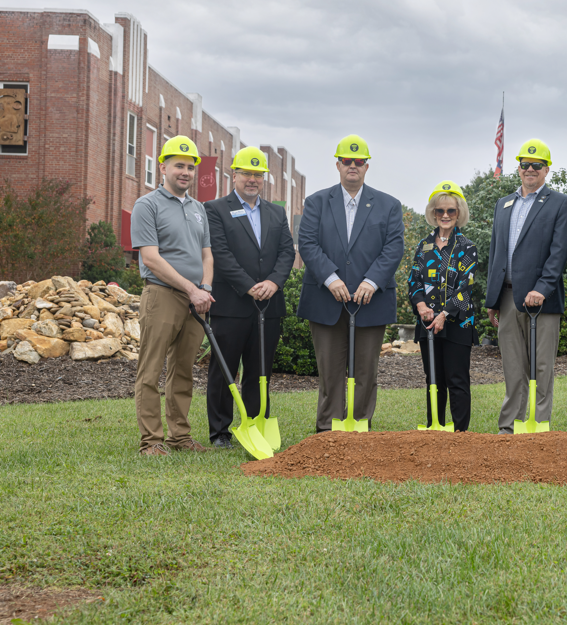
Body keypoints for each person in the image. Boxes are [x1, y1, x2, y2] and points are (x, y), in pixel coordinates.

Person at [297, 134, 404, 432]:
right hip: (326, 299)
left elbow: (394, 247)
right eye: (347, 161)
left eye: (359, 162)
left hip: (371, 301)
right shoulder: (317, 202)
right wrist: (330, 278)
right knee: (330, 371)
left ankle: (359, 425)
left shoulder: (388, 205)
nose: (353, 166)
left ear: (367, 167)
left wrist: (372, 281)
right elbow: (307, 243)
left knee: (366, 370)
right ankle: (328, 429)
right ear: (338, 165)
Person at [203, 146, 297, 449]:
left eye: (258, 174)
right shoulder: (215, 209)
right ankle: (220, 432)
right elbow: (220, 253)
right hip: (231, 305)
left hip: (269, 306)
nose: (253, 179)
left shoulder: (276, 212)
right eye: (247, 173)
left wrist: (273, 282)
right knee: (224, 371)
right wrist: (248, 285)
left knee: (260, 370)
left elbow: (287, 252)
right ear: (234, 175)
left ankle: (256, 423)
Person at [130, 136, 215, 456]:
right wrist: (191, 289)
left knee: (183, 371)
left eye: (191, 167)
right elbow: (151, 258)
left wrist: (204, 288)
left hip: (196, 301)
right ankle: (151, 441)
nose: (185, 172)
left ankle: (179, 437)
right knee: (150, 371)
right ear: (162, 167)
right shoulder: (147, 205)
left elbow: (207, 255)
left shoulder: (198, 209)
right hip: (162, 295)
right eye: (179, 166)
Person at [485, 138, 567, 434]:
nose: (530, 169)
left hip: (542, 299)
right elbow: (496, 250)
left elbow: (559, 252)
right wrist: (492, 298)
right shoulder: (504, 204)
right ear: (519, 168)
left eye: (536, 165)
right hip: (508, 296)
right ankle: (509, 425)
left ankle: (539, 423)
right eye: (525, 164)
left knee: (541, 366)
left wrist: (543, 287)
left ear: (547, 169)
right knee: (512, 365)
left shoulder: (561, 204)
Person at [407, 181, 479, 431]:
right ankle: (434, 428)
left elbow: (466, 287)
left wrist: (444, 314)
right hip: (427, 322)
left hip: (458, 323)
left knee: (457, 379)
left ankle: (460, 434)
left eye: (451, 211)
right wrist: (421, 307)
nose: (445, 215)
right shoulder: (423, 246)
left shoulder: (467, 246)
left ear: (459, 213)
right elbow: (413, 279)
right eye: (440, 211)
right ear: (433, 213)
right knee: (433, 380)